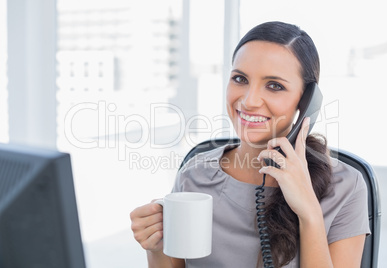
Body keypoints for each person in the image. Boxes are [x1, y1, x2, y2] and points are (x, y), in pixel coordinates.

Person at [130, 21, 370, 268]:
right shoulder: (195, 175)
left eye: (274, 85)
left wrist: (309, 213)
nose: (249, 100)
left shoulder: (346, 187)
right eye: (240, 78)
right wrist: (157, 246)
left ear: (306, 100)